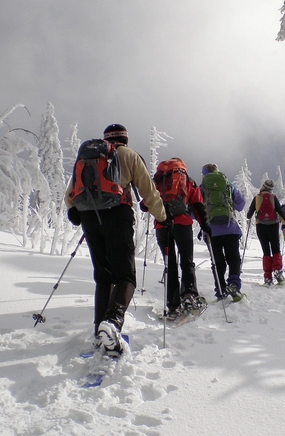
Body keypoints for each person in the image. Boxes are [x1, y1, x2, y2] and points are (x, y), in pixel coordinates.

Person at [65, 124, 167, 355]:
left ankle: (99, 332)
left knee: (103, 276)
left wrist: (77, 211)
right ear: (125, 139)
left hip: (89, 219)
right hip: (117, 217)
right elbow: (149, 192)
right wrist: (162, 216)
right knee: (125, 277)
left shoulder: (88, 156)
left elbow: (69, 194)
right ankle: (112, 323)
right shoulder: (128, 155)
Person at [151, 158, 211, 320]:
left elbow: (145, 203)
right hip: (182, 225)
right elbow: (198, 204)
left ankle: (173, 305)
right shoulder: (188, 181)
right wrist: (204, 224)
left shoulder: (157, 181)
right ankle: (189, 295)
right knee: (187, 261)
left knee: (169, 265)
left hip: (162, 226)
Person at [199, 163, 246, 301]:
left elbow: (194, 211)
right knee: (233, 258)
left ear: (204, 174)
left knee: (217, 262)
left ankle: (220, 290)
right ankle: (234, 284)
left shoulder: (202, 188)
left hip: (211, 231)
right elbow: (241, 204)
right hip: (230, 228)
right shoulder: (227, 185)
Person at [246, 179, 285, 285]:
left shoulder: (257, 197)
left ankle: (268, 277)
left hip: (260, 227)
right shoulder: (273, 197)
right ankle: (277, 270)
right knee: (276, 249)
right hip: (273, 226)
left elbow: (248, 215)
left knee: (266, 251)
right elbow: (280, 212)